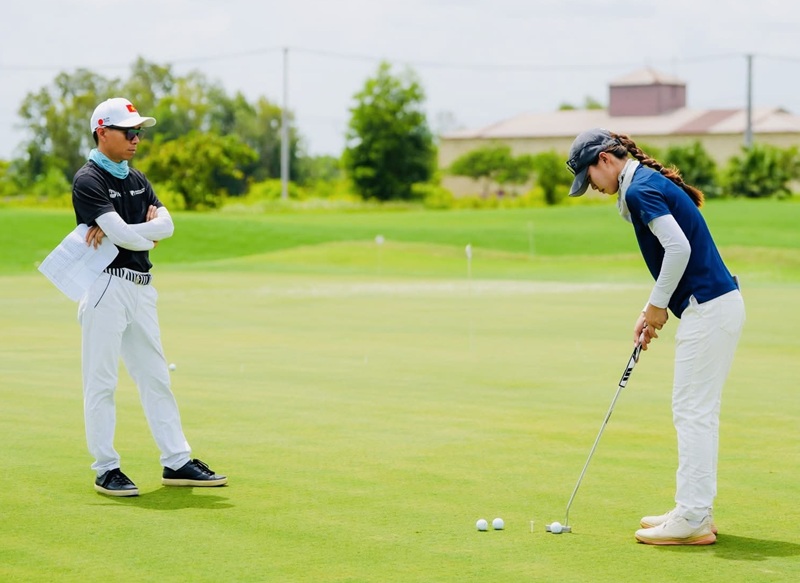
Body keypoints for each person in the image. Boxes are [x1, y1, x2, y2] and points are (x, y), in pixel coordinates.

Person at [566, 128, 745, 545]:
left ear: (606, 160)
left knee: (691, 412)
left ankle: (693, 517)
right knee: (697, 411)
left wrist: (657, 307)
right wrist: (652, 307)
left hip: (709, 307)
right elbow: (674, 254)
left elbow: (678, 249)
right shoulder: (645, 182)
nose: (593, 187)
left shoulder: (638, 189)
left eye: (591, 177)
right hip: (714, 306)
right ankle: (695, 508)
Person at [73, 97, 226, 496]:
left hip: (141, 288)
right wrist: (137, 230)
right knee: (101, 381)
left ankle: (176, 461)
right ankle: (106, 468)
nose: (137, 138)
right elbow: (127, 234)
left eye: (139, 131)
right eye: (129, 131)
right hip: (105, 285)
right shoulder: (88, 179)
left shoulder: (138, 179)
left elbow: (168, 227)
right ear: (102, 132)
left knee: (156, 377)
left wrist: (121, 230)